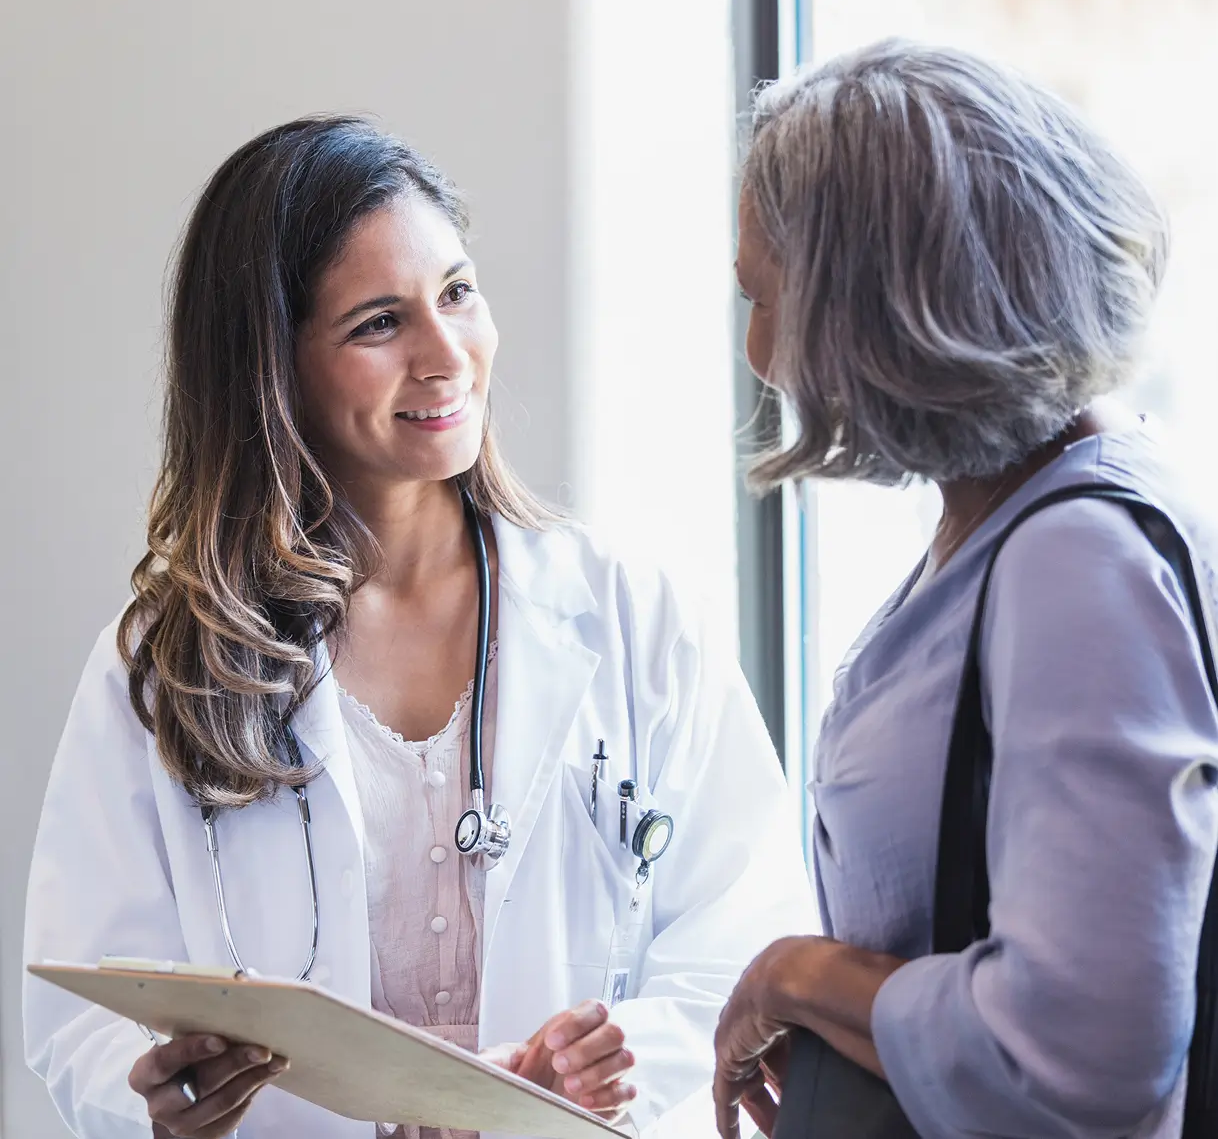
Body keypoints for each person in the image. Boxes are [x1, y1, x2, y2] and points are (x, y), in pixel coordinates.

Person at [23, 116, 816, 1139]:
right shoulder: (160, 662)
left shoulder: (634, 620)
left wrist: (602, 1061)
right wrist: (162, 1092)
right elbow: (80, 1016)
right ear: (273, 365)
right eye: (377, 324)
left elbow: (747, 943)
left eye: (457, 293)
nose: (448, 356)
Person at [713, 40, 1218, 1139]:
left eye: (763, 298)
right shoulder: (1027, 507)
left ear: (878, 311)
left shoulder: (1078, 560)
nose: (759, 353)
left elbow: (1082, 1053)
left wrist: (799, 978)